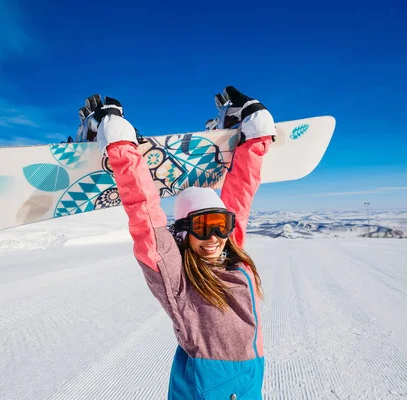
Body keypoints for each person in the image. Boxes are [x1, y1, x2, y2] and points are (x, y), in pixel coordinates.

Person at [87, 86, 275, 399]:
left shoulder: (231, 254)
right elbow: (145, 214)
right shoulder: (178, 279)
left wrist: (256, 138)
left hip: (248, 381)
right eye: (202, 227)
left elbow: (240, 196)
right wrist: (120, 145)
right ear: (184, 233)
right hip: (211, 390)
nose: (214, 237)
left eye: (221, 225)